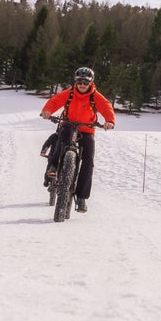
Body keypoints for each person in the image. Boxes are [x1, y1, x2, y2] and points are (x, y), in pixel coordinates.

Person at [40, 66, 115, 213]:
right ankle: (53, 168)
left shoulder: (95, 96)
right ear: (75, 81)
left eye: (85, 82)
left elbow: (106, 106)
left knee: (88, 160)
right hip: (68, 125)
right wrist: (47, 111)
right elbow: (55, 101)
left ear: (91, 82)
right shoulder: (69, 93)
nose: (82, 85)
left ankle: (81, 197)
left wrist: (110, 120)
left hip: (87, 129)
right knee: (61, 142)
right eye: (79, 81)